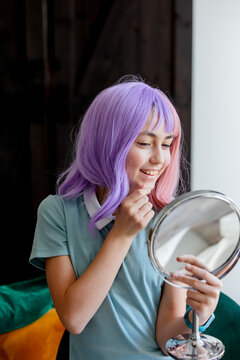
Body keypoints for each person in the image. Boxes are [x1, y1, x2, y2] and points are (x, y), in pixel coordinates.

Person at [29, 75, 222, 360]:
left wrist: (200, 317)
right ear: (107, 143)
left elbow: (166, 333)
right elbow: (74, 318)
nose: (160, 159)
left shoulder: (172, 221)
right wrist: (122, 233)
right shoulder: (57, 213)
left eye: (167, 144)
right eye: (145, 143)